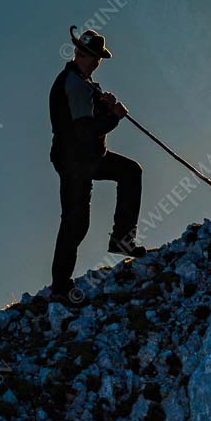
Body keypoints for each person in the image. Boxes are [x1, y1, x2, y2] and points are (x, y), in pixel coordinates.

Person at [47, 27, 145, 298]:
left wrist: (105, 105)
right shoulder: (76, 85)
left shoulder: (81, 82)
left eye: (85, 52)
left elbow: (86, 120)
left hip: (87, 159)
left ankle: (122, 241)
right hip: (75, 162)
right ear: (96, 59)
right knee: (76, 222)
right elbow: (85, 131)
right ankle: (60, 287)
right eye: (82, 52)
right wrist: (114, 116)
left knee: (129, 172)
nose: (82, 55)